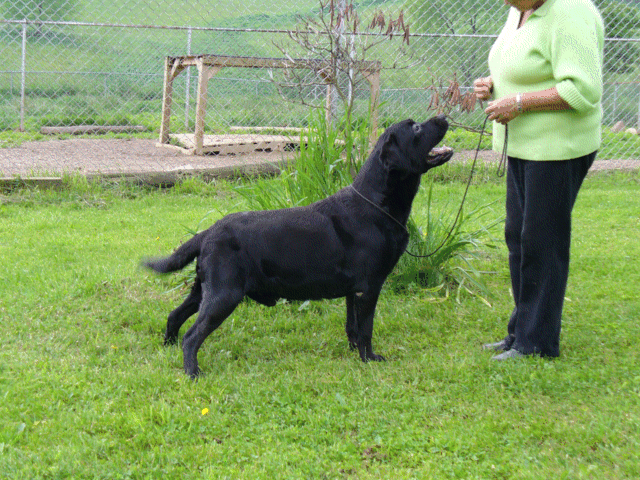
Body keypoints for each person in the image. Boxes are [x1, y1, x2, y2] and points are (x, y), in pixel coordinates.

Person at [473, 0, 604, 360]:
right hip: (523, 146)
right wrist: (494, 86)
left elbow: (582, 90)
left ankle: (537, 343)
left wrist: (519, 102)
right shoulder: (522, 8)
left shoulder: (570, 13)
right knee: (518, 237)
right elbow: (524, 66)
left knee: (542, 243)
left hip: (557, 148)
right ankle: (521, 331)